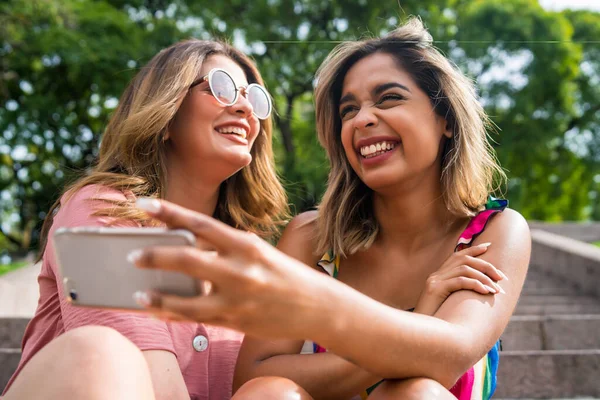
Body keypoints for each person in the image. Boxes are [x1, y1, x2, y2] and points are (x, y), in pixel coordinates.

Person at [129, 17, 530, 399]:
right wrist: (423, 315)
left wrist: (322, 310)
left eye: (389, 98)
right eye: (348, 110)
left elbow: (447, 358)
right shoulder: (312, 239)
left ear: (444, 117)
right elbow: (253, 375)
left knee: (417, 391)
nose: (363, 119)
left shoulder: (495, 231)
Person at [2, 39, 289, 400]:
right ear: (166, 115)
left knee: (275, 392)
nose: (246, 108)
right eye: (221, 88)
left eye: (255, 98)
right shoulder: (100, 209)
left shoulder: (250, 254)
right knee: (102, 352)